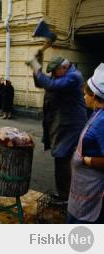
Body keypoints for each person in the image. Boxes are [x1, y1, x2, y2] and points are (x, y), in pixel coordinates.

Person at [28, 55, 87, 202]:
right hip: (60, 123)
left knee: (62, 158)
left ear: (64, 68)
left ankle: (68, 197)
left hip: (71, 125)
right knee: (61, 159)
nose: (53, 75)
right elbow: (41, 83)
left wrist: (37, 67)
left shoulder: (74, 77)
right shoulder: (62, 75)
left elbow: (51, 85)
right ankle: (65, 194)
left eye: (54, 72)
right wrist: (38, 68)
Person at [67, 63, 104, 224]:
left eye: (86, 95)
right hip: (82, 187)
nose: (84, 97)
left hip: (91, 189)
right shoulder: (97, 113)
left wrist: (87, 161)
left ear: (95, 96)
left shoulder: (102, 122)